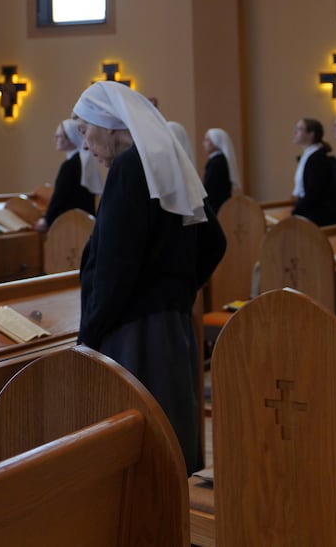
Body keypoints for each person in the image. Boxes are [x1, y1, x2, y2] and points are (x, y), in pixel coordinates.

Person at [72, 81, 225, 473]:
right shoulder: (167, 161)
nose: (86, 146)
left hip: (132, 330)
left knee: (139, 442)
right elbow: (215, 240)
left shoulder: (128, 169)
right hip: (170, 324)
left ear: (108, 125)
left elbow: (114, 267)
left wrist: (89, 334)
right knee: (170, 428)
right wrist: (177, 290)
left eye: (86, 132)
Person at [37, 119, 100, 232]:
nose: (55, 139)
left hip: (71, 225)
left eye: (59, 136)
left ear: (72, 138)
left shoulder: (71, 165)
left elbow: (60, 197)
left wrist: (46, 221)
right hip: (83, 222)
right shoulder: (82, 162)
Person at [289, 117, 336, 225]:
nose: (295, 132)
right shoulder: (309, 156)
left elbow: (315, 192)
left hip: (316, 215)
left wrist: (297, 211)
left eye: (299, 129)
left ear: (311, 134)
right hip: (307, 210)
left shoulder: (317, 158)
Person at [201, 128, 240, 216]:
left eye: (207, 140)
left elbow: (210, 188)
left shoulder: (216, 162)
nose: (204, 143)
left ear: (215, 142)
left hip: (216, 207)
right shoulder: (219, 160)